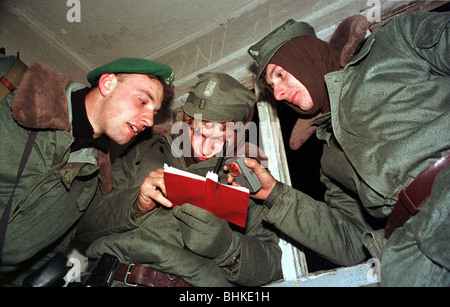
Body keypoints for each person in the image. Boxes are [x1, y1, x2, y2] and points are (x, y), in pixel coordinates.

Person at [239, 12, 449, 286]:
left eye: (280, 74)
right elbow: (351, 242)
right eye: (272, 86)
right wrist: (275, 195)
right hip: (409, 250)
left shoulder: (394, 44)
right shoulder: (330, 159)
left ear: (305, 56)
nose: (277, 93)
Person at [76, 72, 283, 287]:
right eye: (198, 133)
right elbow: (82, 227)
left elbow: (273, 265)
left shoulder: (248, 180)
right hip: (103, 277)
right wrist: (135, 204)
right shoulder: (144, 148)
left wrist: (226, 247)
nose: (204, 148)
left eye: (219, 139)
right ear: (186, 122)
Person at [0, 55, 174, 286]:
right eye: (143, 102)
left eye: (154, 112)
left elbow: (46, 253)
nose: (149, 121)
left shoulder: (93, 178)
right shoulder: (13, 93)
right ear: (107, 84)